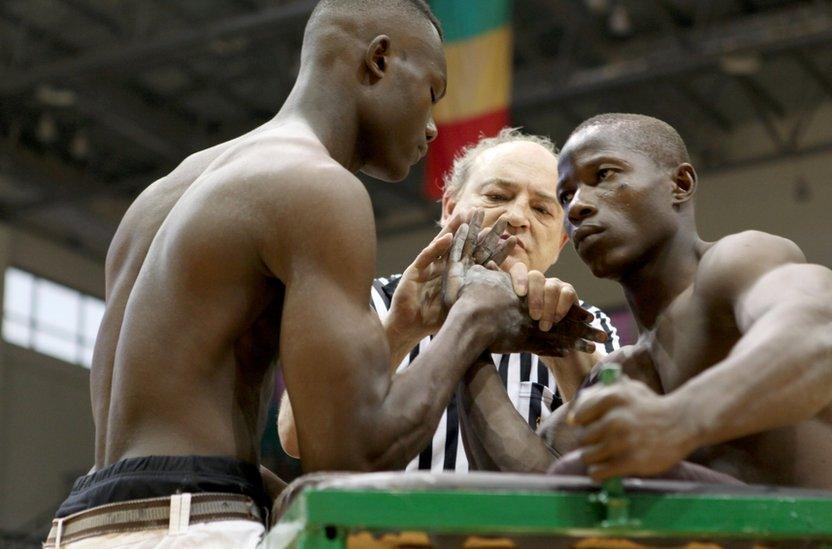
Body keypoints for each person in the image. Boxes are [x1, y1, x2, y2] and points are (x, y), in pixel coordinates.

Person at [46, 2, 600, 547]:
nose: (432, 127)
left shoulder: (165, 191)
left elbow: (149, 450)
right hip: (191, 529)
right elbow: (344, 464)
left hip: (89, 522)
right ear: (378, 61)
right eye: (431, 93)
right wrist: (473, 322)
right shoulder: (320, 186)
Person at [462, 113, 832, 494]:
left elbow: (823, 336)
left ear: (681, 184)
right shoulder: (623, 370)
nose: (578, 206)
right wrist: (468, 331)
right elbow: (530, 492)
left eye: (603, 175)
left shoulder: (737, 262)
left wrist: (677, 420)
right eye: (566, 196)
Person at [278, 129, 620, 472]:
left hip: (514, 525)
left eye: (542, 209)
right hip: (380, 524)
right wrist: (400, 330)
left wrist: (562, 353)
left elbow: (618, 448)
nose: (517, 217)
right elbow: (297, 436)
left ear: (560, 242)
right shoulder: (370, 300)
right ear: (450, 207)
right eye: (498, 195)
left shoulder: (585, 326)